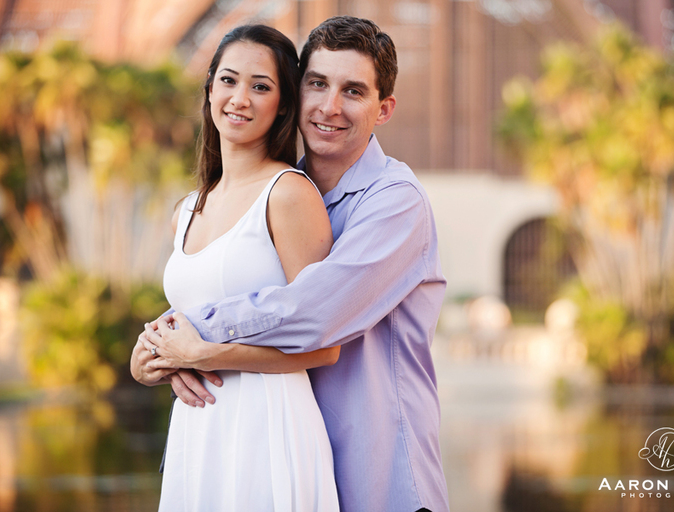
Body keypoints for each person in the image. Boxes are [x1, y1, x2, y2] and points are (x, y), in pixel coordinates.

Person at [135, 16, 450, 512]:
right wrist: (163, 346)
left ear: (384, 109)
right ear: (297, 93)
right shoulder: (279, 194)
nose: (329, 106)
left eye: (353, 91)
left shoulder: (396, 203)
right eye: (317, 84)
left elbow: (314, 311)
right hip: (278, 453)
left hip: (381, 479)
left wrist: (189, 337)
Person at [130, 24, 340, 512]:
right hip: (198, 430)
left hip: (267, 424)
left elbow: (326, 346)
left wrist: (208, 355)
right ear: (209, 89)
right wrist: (148, 361)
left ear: (283, 105)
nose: (240, 98)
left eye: (260, 86)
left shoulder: (288, 194)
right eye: (228, 80)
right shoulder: (188, 209)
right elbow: (188, 321)